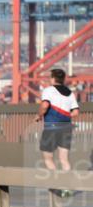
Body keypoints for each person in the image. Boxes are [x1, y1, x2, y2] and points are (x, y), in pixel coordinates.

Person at [36, 68, 80, 197]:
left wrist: (39, 116)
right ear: (63, 79)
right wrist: (65, 116)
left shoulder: (48, 90)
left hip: (51, 128)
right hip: (66, 128)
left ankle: (57, 185)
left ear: (53, 78)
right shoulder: (70, 93)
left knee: (48, 158)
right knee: (64, 159)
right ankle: (68, 188)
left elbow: (44, 106)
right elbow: (76, 113)